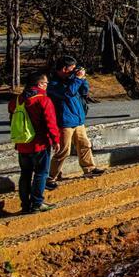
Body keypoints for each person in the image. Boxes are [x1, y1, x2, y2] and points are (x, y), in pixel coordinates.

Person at [47, 56, 103, 188]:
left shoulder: (72, 80)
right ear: (64, 69)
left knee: (85, 144)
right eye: (71, 69)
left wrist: (82, 80)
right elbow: (68, 93)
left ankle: (89, 168)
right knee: (63, 151)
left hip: (77, 119)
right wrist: (77, 79)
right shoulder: (53, 84)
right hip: (65, 121)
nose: (74, 72)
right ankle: (51, 176)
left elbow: (84, 91)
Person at [8, 71, 60, 214]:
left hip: (23, 144)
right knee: (41, 173)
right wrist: (56, 140)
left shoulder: (17, 100)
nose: (47, 86)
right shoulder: (43, 100)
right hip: (40, 143)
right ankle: (37, 203)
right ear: (39, 84)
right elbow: (51, 122)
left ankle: (25, 204)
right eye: (45, 83)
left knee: (25, 174)